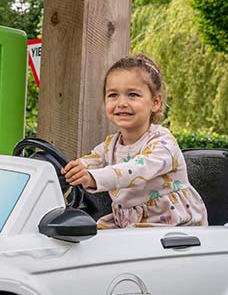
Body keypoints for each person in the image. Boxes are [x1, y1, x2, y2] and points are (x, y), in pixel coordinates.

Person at [61, 54, 208, 229]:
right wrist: (70, 169)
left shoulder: (163, 143)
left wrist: (91, 177)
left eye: (132, 95)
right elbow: (89, 161)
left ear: (155, 102)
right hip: (129, 224)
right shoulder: (110, 145)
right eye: (113, 95)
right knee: (83, 239)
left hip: (173, 229)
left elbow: (136, 170)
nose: (121, 103)